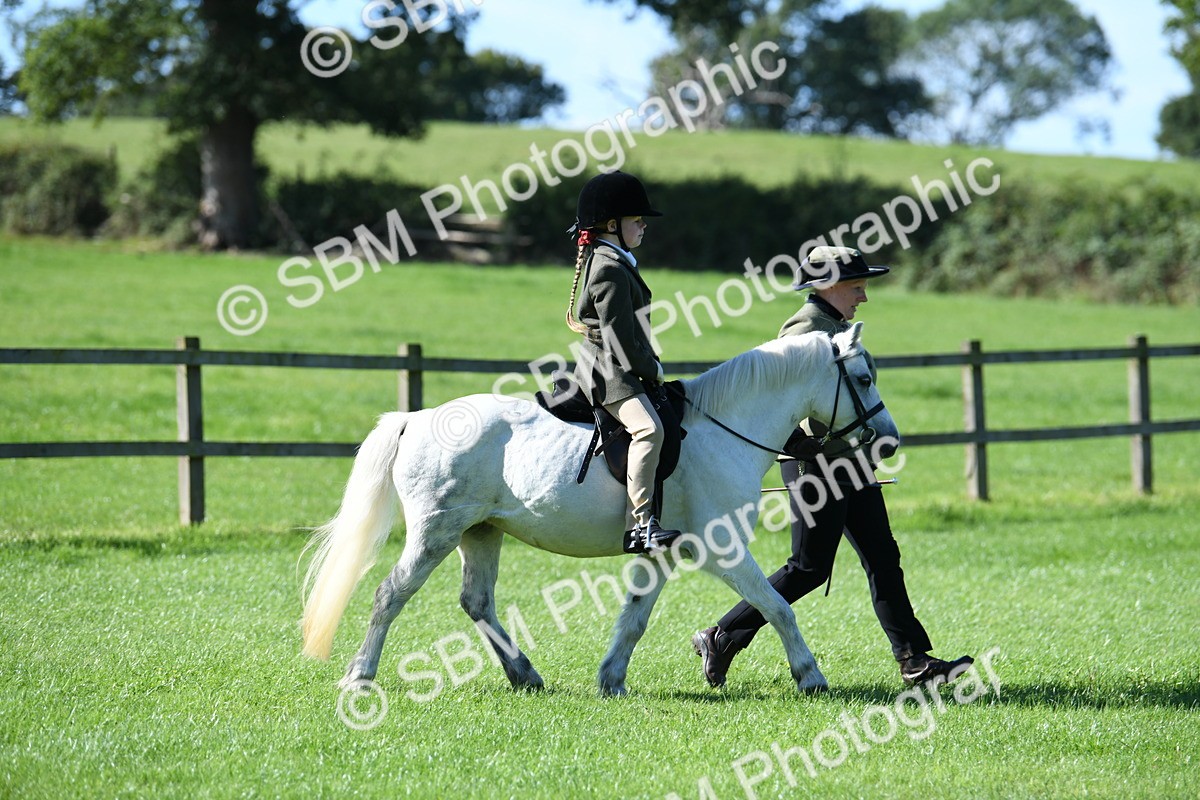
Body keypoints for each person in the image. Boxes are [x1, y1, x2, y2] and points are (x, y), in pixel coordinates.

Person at [691, 245, 973, 686]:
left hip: (852, 462)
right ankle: (722, 636)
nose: (864, 296)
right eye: (857, 287)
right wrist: (805, 446)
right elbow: (777, 399)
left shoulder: (837, 326)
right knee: (808, 568)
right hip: (816, 466)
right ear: (827, 287)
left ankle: (913, 660)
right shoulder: (803, 329)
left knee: (883, 556)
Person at [565, 171, 682, 555]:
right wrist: (653, 370)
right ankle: (641, 526)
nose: (644, 225)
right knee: (649, 430)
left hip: (618, 365)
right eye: (637, 220)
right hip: (610, 373)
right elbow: (620, 340)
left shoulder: (615, 260)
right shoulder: (610, 269)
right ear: (612, 225)